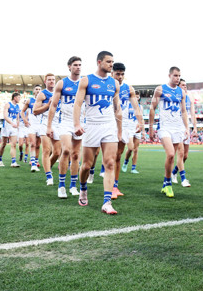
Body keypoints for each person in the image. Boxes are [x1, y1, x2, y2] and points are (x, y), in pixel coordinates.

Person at [73, 51, 122, 215]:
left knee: (109, 163)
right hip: (92, 126)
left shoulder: (114, 83)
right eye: (108, 61)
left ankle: (107, 202)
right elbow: (78, 104)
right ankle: (83, 189)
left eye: (112, 62)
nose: (111, 64)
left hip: (109, 126)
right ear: (99, 62)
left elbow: (117, 108)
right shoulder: (86, 80)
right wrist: (77, 124)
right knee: (86, 165)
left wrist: (119, 129)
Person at [149, 67, 190, 197]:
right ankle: (168, 184)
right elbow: (152, 108)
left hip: (177, 127)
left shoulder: (181, 93)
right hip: (164, 127)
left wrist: (187, 128)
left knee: (172, 157)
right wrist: (150, 127)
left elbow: (183, 111)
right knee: (171, 154)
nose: (177, 78)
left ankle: (165, 183)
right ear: (169, 75)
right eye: (175, 75)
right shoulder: (160, 89)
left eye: (179, 76)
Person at [47, 56, 83, 199]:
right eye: (75, 65)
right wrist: (49, 126)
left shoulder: (84, 83)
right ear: (69, 67)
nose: (78, 67)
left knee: (75, 154)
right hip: (65, 122)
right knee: (66, 150)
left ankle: (73, 185)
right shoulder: (62, 83)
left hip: (80, 122)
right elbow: (54, 105)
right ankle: (61, 186)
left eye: (80, 65)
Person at [112, 62, 145, 198]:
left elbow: (136, 107)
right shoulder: (106, 86)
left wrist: (141, 122)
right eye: (117, 74)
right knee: (103, 157)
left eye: (122, 74)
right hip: (108, 124)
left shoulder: (128, 88)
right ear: (112, 73)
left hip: (124, 125)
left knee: (118, 155)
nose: (120, 77)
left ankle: (114, 186)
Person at [33, 74, 62, 186]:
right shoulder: (42, 94)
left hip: (57, 123)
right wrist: (48, 105)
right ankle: (49, 176)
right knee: (46, 150)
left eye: (53, 80)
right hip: (44, 123)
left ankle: (47, 167)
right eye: (49, 80)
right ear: (45, 81)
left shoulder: (59, 92)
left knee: (57, 152)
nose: (51, 81)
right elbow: (35, 111)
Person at [171, 79, 198, 184]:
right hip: (177, 127)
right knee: (180, 153)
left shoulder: (189, 97)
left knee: (185, 156)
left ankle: (174, 172)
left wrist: (194, 127)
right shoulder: (175, 97)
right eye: (183, 85)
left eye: (186, 85)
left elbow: (192, 113)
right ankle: (183, 178)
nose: (185, 87)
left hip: (186, 127)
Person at [21, 85, 42, 172]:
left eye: (39, 89)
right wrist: (25, 120)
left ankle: (36, 161)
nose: (38, 90)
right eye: (36, 89)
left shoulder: (44, 100)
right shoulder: (30, 100)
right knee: (32, 144)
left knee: (38, 145)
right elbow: (22, 111)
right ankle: (33, 164)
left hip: (41, 125)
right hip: (32, 125)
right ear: (34, 91)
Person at [122, 90, 143, 174]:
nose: (136, 98)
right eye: (135, 96)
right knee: (130, 148)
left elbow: (141, 118)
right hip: (128, 128)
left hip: (137, 128)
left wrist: (143, 130)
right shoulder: (126, 105)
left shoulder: (140, 107)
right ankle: (125, 162)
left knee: (136, 149)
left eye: (138, 97)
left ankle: (133, 168)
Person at [0, 92, 21, 168]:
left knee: (13, 144)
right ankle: (0, 159)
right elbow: (5, 116)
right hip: (7, 126)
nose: (19, 99)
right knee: (3, 144)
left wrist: (17, 125)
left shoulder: (18, 107)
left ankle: (13, 162)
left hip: (14, 127)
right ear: (14, 97)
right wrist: (12, 123)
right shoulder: (8, 104)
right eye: (19, 97)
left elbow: (18, 117)